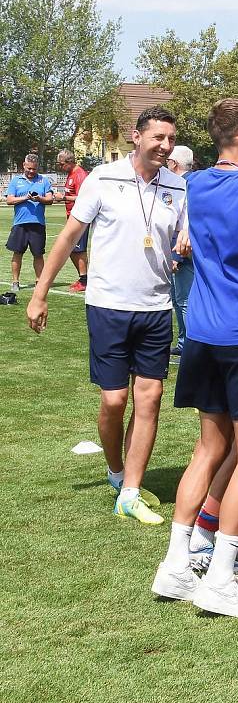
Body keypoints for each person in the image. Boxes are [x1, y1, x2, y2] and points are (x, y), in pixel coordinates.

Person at [152, 97, 238, 616]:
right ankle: (222, 579)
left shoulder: (198, 182)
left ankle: (176, 565)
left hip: (202, 333)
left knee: (207, 450)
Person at [27, 107, 188, 525]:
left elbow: (183, 238)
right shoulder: (103, 178)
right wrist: (40, 293)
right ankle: (116, 472)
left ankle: (131, 491)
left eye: (171, 139)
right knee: (115, 400)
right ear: (137, 137)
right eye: (158, 138)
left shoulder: (178, 186)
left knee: (149, 397)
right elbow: (68, 237)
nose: (165, 146)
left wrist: (184, 244)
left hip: (156, 307)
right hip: (109, 305)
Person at [5, 153, 53, 292]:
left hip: (38, 223)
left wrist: (40, 199)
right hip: (20, 223)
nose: (31, 171)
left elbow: (50, 199)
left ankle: (40, 282)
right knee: (17, 253)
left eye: (34, 169)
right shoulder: (15, 181)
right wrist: (25, 197)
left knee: (38, 254)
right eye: (29, 168)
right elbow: (9, 200)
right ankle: (15, 282)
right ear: (24, 166)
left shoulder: (43, 181)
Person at [166, 145, 195, 356]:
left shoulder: (186, 184)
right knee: (179, 299)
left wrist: (177, 255)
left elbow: (185, 222)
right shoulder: (193, 182)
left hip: (185, 253)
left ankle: (188, 345)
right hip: (186, 251)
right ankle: (184, 342)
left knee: (184, 300)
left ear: (173, 164)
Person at [54, 150, 89, 292]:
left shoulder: (80, 175)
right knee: (71, 249)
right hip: (72, 216)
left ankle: (85, 280)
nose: (60, 167)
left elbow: (84, 197)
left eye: (61, 164)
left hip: (80, 218)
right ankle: (84, 278)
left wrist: (63, 197)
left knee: (78, 249)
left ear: (69, 162)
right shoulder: (71, 174)